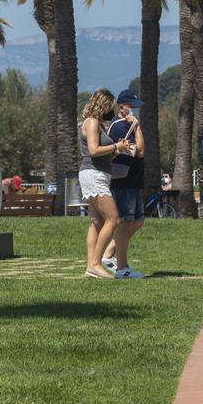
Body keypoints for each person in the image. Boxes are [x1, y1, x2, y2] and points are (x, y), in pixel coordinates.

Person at [79, 89, 133, 279]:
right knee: (114, 219)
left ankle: (90, 267)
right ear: (102, 105)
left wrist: (118, 149)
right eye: (109, 106)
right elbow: (93, 150)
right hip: (93, 175)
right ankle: (95, 263)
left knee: (97, 222)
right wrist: (115, 146)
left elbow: (103, 153)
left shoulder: (98, 124)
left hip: (97, 174)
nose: (111, 110)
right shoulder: (93, 122)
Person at [101, 89, 146, 279]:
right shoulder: (120, 126)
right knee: (125, 222)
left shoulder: (130, 125)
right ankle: (122, 267)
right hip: (123, 182)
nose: (134, 110)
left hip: (133, 181)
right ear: (122, 107)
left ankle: (109, 254)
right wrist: (136, 128)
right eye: (131, 106)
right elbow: (140, 151)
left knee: (137, 221)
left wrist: (136, 127)